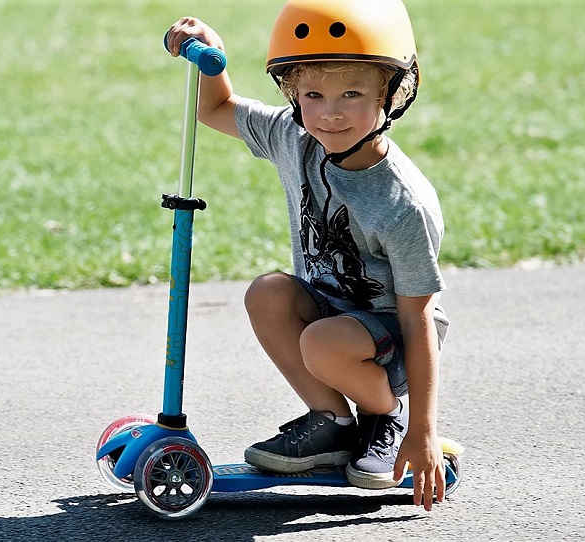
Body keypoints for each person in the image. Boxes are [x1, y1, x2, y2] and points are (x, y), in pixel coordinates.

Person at [164, 0, 451, 509]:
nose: (330, 111)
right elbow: (213, 109)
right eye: (313, 93)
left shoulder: (401, 203)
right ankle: (334, 424)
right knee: (268, 292)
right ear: (293, 93)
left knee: (321, 342)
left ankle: (387, 418)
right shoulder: (294, 136)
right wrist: (215, 56)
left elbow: (418, 316)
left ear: (391, 93)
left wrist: (424, 431)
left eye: (353, 93)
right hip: (332, 315)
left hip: (393, 340)